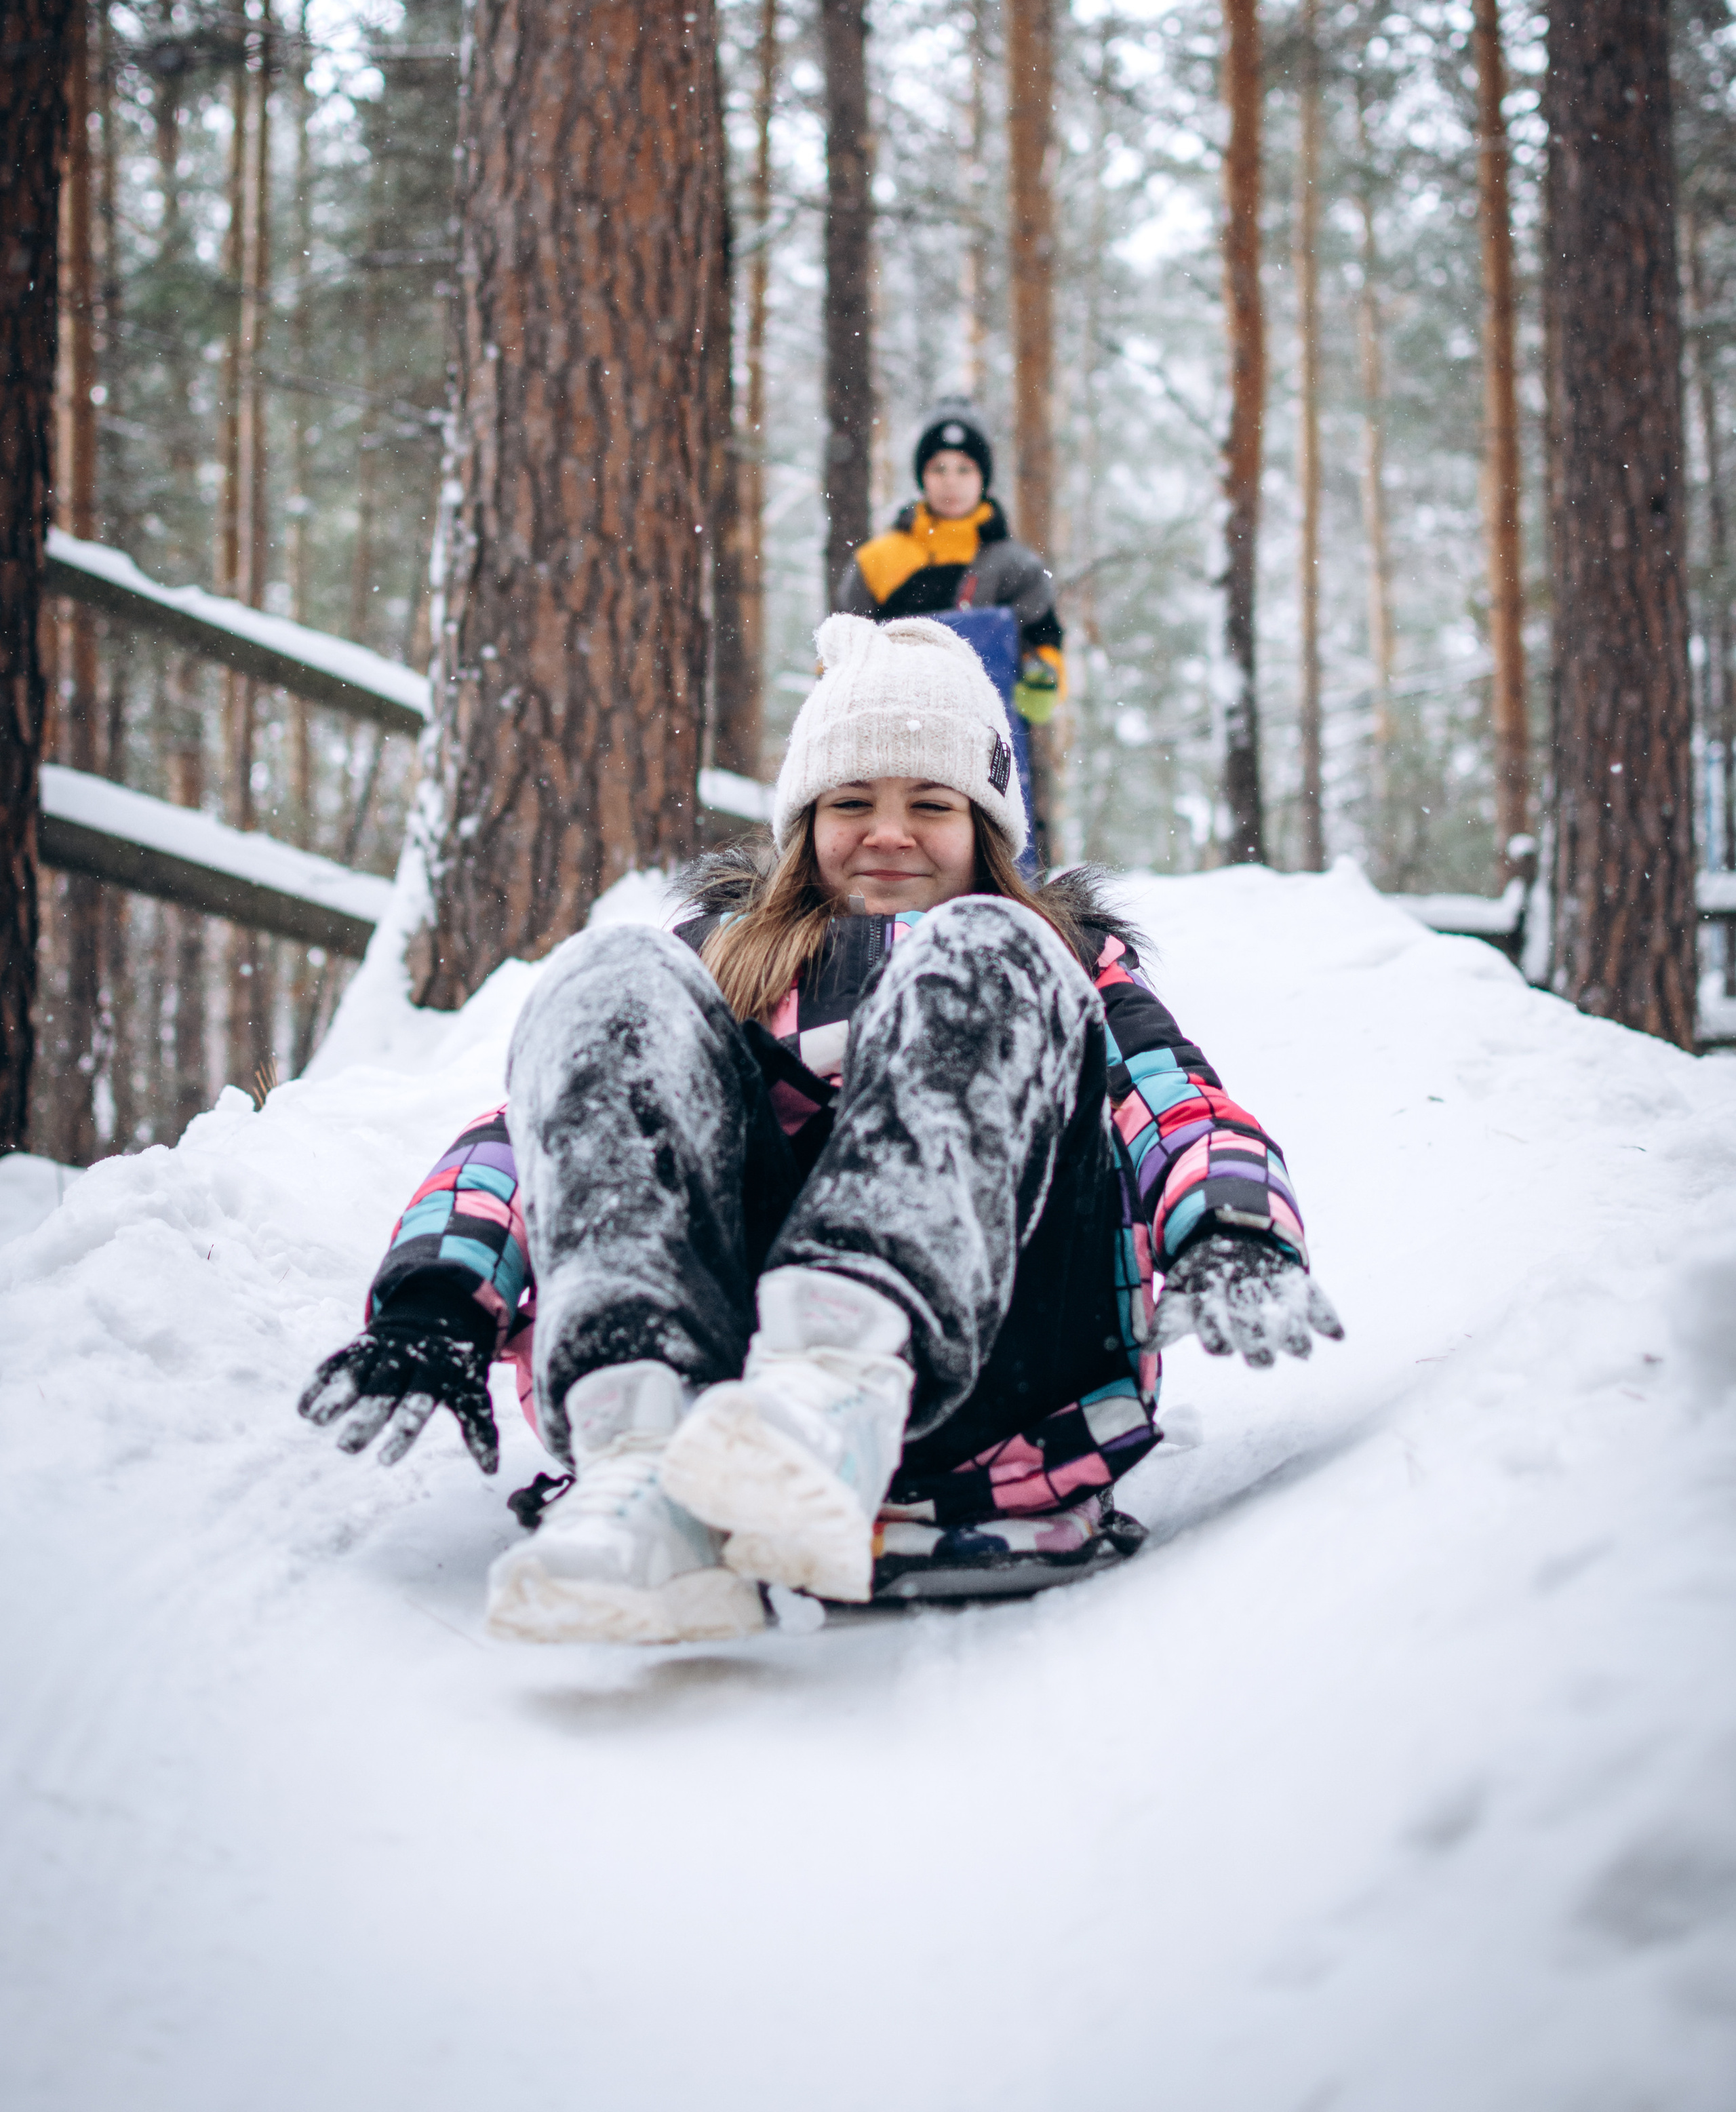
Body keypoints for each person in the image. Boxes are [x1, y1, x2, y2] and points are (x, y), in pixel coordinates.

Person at [300, 614, 1340, 1646]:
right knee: (611, 980)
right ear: (807, 823)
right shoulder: (718, 968)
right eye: (854, 802)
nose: (889, 833)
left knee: (989, 948)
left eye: (930, 803)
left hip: (991, 1394)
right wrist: (437, 1301)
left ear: (984, 825)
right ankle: (648, 1461)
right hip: (724, 1419)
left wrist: (1233, 1228)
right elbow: (539, 1143)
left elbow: (1170, 1101)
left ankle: (834, 1392)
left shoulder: (1054, 964)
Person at [835, 399, 1065, 728]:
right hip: (893, 739)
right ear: (922, 476)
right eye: (938, 469)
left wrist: (1043, 678)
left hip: (989, 741)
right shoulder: (876, 561)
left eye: (964, 469)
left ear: (983, 476)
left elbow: (1045, 640)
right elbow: (841, 649)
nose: (951, 482)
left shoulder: (1018, 568)